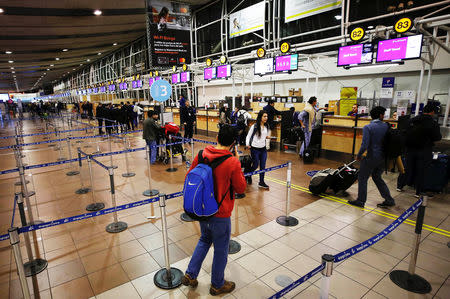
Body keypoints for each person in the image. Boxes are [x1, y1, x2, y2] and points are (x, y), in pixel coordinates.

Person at [181, 124, 246, 296]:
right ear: (233, 144)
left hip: (202, 210)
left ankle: (190, 274)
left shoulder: (202, 154)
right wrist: (237, 163)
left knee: (204, 240)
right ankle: (217, 284)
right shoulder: (232, 162)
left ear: (216, 138)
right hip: (221, 213)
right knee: (221, 249)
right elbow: (241, 188)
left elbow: (189, 176)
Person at [348, 106, 396, 208]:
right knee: (377, 177)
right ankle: (389, 199)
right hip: (384, 156)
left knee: (362, 177)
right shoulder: (386, 126)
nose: (384, 116)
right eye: (383, 114)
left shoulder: (368, 127)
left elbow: (364, 144)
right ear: (380, 115)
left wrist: (359, 155)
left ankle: (361, 201)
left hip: (372, 156)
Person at [397, 103, 442, 196]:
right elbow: (437, 137)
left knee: (407, 168)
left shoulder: (412, 120)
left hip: (409, 149)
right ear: (432, 112)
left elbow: (403, 132)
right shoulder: (433, 123)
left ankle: (400, 186)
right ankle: (418, 191)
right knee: (422, 171)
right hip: (424, 150)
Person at [246, 110, 271, 189]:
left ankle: (261, 182)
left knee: (263, 166)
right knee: (256, 165)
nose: (266, 118)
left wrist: (266, 137)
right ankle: (247, 174)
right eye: (264, 116)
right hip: (255, 149)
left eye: (266, 116)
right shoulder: (255, 126)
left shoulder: (266, 126)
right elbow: (249, 136)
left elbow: (264, 135)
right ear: (260, 117)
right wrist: (247, 144)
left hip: (263, 149)